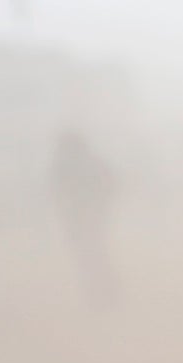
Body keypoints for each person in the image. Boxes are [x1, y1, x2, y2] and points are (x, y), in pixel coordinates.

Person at [49, 131, 119, 306]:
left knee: (87, 255)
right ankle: (105, 293)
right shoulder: (91, 162)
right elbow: (110, 184)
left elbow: (58, 192)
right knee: (92, 253)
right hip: (87, 216)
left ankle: (100, 294)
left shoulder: (65, 165)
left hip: (80, 217)